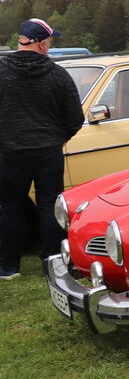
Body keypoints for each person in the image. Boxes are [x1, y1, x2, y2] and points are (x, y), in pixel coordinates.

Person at [0, 19, 85, 279]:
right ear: (42, 44)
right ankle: (54, 260)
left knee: (9, 207)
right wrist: (60, 137)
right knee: (50, 204)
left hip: (9, 152)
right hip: (48, 150)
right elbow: (75, 117)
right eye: (50, 42)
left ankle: (8, 267)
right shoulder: (58, 74)